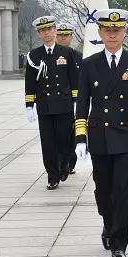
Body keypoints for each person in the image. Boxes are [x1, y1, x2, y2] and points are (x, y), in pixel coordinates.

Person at [74, 9, 128, 257]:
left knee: (124, 189)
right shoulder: (89, 64)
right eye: (107, 30)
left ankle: (119, 243)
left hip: (127, 134)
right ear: (99, 33)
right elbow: (82, 104)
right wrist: (80, 137)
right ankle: (109, 224)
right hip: (99, 134)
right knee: (103, 190)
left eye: (117, 30)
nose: (112, 35)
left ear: (124, 32)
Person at [25, 16, 79, 190]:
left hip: (64, 105)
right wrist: (29, 106)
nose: (46, 33)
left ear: (55, 30)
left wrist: (77, 102)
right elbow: (30, 82)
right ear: (39, 34)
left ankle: (64, 165)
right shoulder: (34, 55)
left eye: (49, 29)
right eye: (42, 30)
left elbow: (74, 80)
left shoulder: (67, 53)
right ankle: (52, 176)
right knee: (48, 143)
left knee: (65, 140)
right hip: (45, 105)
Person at [55, 22, 81, 175]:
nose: (63, 38)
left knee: (74, 133)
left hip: (76, 103)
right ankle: (59, 162)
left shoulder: (79, 57)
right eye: (60, 35)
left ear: (71, 37)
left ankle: (70, 162)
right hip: (60, 103)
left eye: (66, 35)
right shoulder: (50, 57)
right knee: (59, 135)